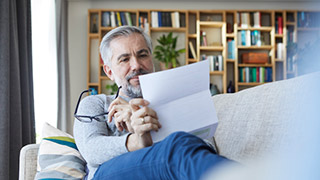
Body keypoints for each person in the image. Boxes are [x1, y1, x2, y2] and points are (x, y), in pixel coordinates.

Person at [74, 26, 232, 180]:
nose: (136, 65)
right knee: (177, 146)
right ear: (109, 71)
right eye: (124, 59)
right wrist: (137, 140)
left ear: (151, 59)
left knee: (180, 144)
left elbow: (206, 147)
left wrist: (152, 133)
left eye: (142, 55)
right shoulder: (95, 103)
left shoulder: (176, 99)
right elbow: (91, 150)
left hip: (168, 171)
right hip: (108, 174)